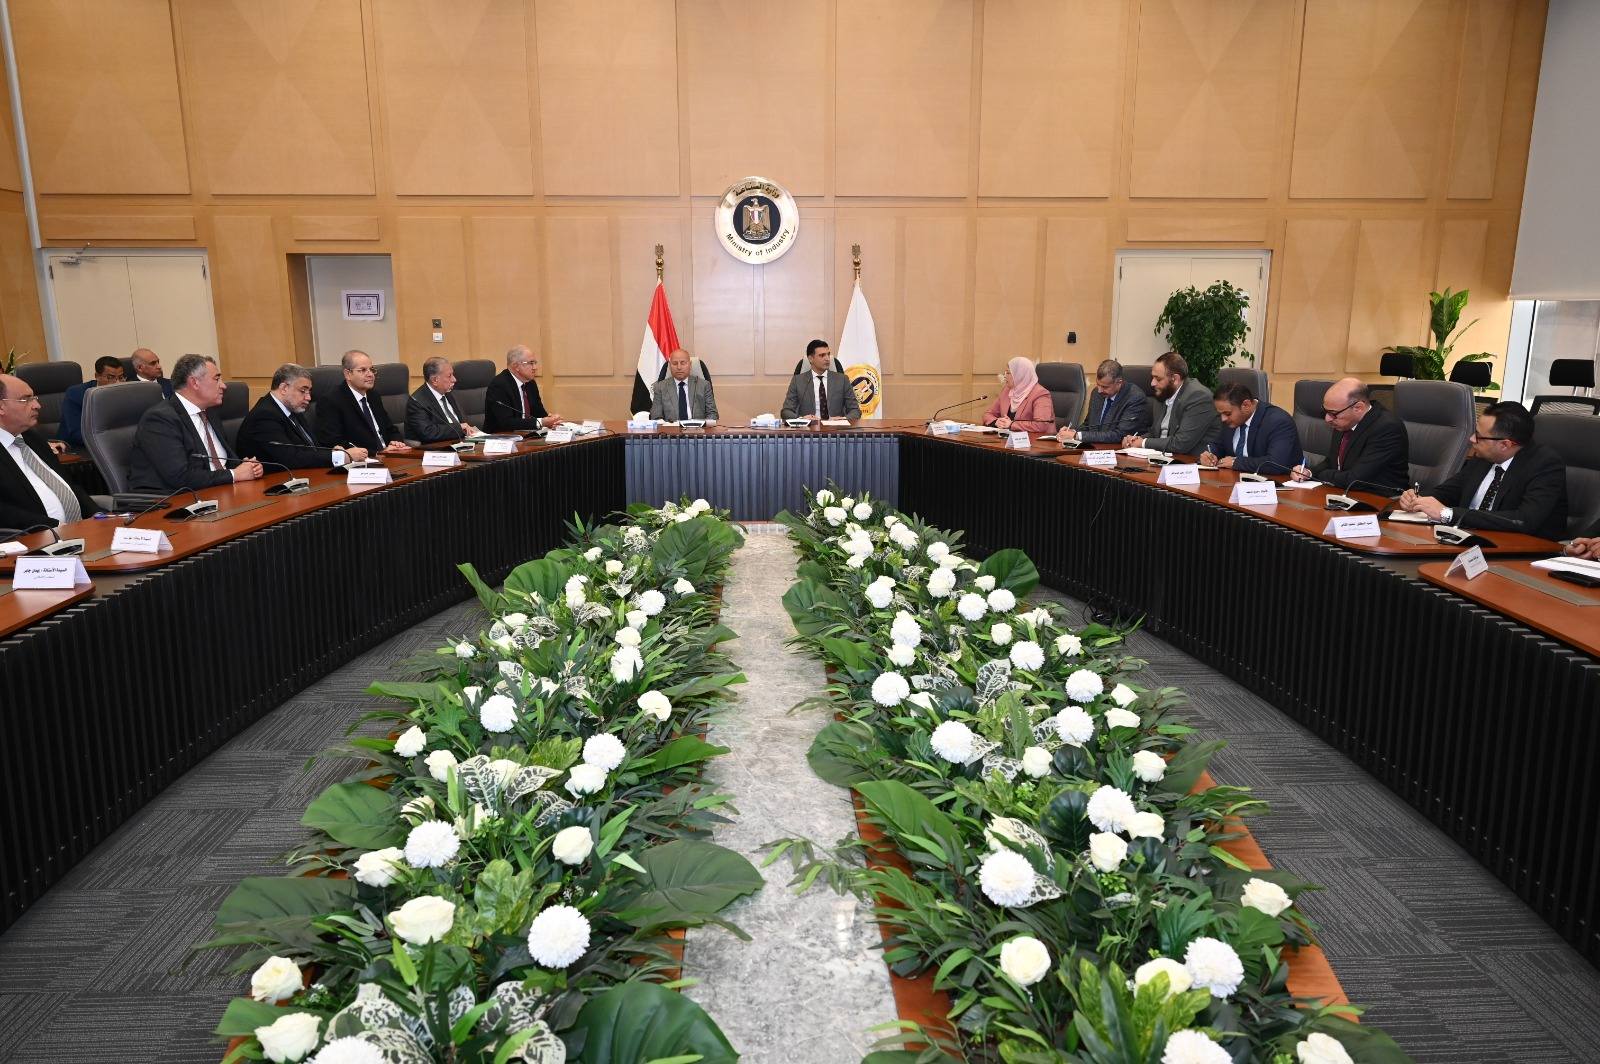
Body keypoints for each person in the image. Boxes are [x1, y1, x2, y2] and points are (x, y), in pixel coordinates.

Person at [1397, 401, 1568, 539]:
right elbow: (1450, 491)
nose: (1472, 439)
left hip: (1518, 550)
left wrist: (1448, 514)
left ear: (1505, 445)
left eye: (1479, 436)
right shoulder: (1484, 456)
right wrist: (1418, 499)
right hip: (1467, 539)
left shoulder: (1545, 465)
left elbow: (1523, 520)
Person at [127, 354, 263, 492]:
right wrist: (234, 474)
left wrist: (248, 467)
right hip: (175, 498)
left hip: (218, 490)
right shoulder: (160, 419)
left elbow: (224, 461)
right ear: (194, 382)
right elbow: (180, 477)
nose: (223, 386)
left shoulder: (209, 412)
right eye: (217, 379)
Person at [0, 372, 98, 529]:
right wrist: (57, 527)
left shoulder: (33, 438)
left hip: (81, 530)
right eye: (26, 399)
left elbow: (68, 486)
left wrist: (100, 516)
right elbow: (5, 513)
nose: (37, 405)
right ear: (1, 407)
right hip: (36, 537)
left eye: (34, 398)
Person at [238, 363, 368, 470]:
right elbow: (290, 458)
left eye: (309, 391)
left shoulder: (293, 409)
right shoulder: (264, 416)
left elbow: (311, 448)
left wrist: (331, 451)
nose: (309, 397)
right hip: (274, 484)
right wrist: (341, 457)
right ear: (284, 388)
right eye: (303, 391)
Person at [1290, 378, 1409, 492]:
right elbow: (1332, 462)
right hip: (1344, 492)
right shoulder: (1343, 421)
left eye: (1333, 413)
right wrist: (1308, 472)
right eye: (1325, 411)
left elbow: (1355, 480)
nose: (1327, 419)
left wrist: (1319, 475)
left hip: (1379, 498)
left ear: (1358, 408)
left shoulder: (1387, 428)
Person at [315, 349, 410, 454]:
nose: (370, 375)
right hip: (365, 459)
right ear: (348, 374)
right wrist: (377, 453)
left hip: (390, 454)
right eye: (363, 370)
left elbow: (390, 428)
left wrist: (396, 442)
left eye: (371, 369)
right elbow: (333, 441)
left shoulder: (373, 395)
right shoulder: (331, 400)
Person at [1199, 382, 1302, 474]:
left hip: (1275, 484)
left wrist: (1236, 462)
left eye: (1227, 413)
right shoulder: (1230, 420)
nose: (1223, 419)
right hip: (1234, 480)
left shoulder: (1278, 421)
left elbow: (1275, 464)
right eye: (1220, 414)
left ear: (1246, 405)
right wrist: (1210, 455)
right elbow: (1218, 445)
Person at [1122, 351, 1213, 454]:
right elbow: (1155, 434)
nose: (1152, 383)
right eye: (1152, 377)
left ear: (1175, 379)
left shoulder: (1198, 396)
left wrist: (1143, 443)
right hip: (1162, 456)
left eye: (1158, 379)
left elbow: (1181, 444)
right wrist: (1134, 440)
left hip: (1189, 459)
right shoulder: (1164, 393)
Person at [1058, 359, 1149, 445]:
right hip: (1095, 448)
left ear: (1119, 383)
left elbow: (1119, 435)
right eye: (1098, 384)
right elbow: (1088, 425)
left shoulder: (1135, 397)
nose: (1099, 390)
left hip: (1118, 450)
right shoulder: (1096, 393)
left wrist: (1077, 436)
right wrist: (1072, 431)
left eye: (1105, 387)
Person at [485, 345, 563, 432]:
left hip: (526, 435)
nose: (535, 368)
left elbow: (539, 413)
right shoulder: (499, 385)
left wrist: (551, 420)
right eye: (531, 363)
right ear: (516, 366)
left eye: (535, 363)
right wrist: (541, 422)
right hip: (501, 436)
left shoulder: (530, 383)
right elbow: (506, 422)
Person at [406, 357, 484, 443]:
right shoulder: (417, 402)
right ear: (435, 380)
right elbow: (427, 432)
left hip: (463, 442)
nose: (454, 379)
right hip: (437, 447)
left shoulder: (448, 393)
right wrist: (459, 427)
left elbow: (462, 422)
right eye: (449, 376)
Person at [781, 339, 860, 421]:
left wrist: (843, 419)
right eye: (822, 355)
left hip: (835, 427)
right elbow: (786, 411)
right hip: (809, 427)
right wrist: (802, 419)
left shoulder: (842, 380)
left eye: (828, 354)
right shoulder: (798, 381)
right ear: (811, 359)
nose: (827, 359)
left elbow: (855, 411)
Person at [59, 355, 125, 448]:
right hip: (76, 447)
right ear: (97, 376)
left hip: (113, 444)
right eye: (110, 377)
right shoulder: (76, 394)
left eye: (121, 377)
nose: (117, 383)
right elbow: (76, 432)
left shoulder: (125, 393)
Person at [981, 357, 1055, 434]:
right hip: (1009, 438)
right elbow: (988, 414)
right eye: (1005, 373)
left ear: (1020, 375)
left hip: (1035, 439)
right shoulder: (1007, 390)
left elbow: (1041, 425)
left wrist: (1011, 424)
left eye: (1008, 373)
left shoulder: (1040, 394)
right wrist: (996, 421)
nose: (1005, 376)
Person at [649, 348, 718, 423]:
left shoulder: (704, 385)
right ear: (669, 366)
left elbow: (712, 414)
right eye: (675, 363)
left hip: (698, 428)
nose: (679, 367)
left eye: (683, 363)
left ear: (690, 365)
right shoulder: (660, 387)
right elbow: (656, 417)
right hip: (671, 428)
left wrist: (704, 427)